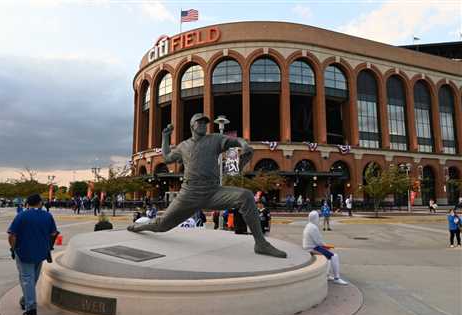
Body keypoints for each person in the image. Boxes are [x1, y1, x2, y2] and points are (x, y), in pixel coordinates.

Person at [127, 113, 286, 258]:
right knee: (161, 226)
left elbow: (236, 140)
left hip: (212, 192)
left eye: (205, 123)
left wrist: (244, 145)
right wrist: (165, 137)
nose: (203, 125)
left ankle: (261, 243)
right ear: (192, 126)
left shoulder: (215, 139)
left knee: (246, 196)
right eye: (199, 122)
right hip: (189, 194)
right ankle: (138, 228)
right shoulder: (184, 146)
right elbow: (167, 157)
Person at [7, 194, 58, 315]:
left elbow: (12, 235)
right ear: (40, 203)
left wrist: (13, 248)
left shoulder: (21, 216)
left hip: (24, 252)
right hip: (41, 252)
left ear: (27, 203)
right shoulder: (47, 215)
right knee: (32, 278)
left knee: (27, 279)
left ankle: (31, 309)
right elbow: (53, 233)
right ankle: (25, 300)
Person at [303, 210, 348, 285]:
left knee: (329, 258)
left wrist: (325, 247)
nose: (319, 219)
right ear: (315, 218)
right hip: (312, 249)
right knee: (334, 256)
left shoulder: (308, 225)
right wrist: (326, 246)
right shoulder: (313, 228)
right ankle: (337, 278)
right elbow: (319, 242)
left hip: (310, 247)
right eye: (318, 217)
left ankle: (327, 275)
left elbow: (318, 241)